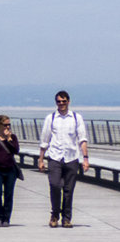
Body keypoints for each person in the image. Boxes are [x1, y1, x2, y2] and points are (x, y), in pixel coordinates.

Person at [37, 90, 89, 228]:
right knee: (54, 185)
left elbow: (82, 139)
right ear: (56, 103)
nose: (61, 104)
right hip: (55, 157)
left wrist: (85, 158)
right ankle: (55, 214)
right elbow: (44, 140)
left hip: (71, 158)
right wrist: (41, 159)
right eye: (59, 102)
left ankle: (66, 218)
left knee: (68, 189)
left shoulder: (76, 118)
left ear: (68, 102)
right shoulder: (51, 118)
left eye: (64, 101)